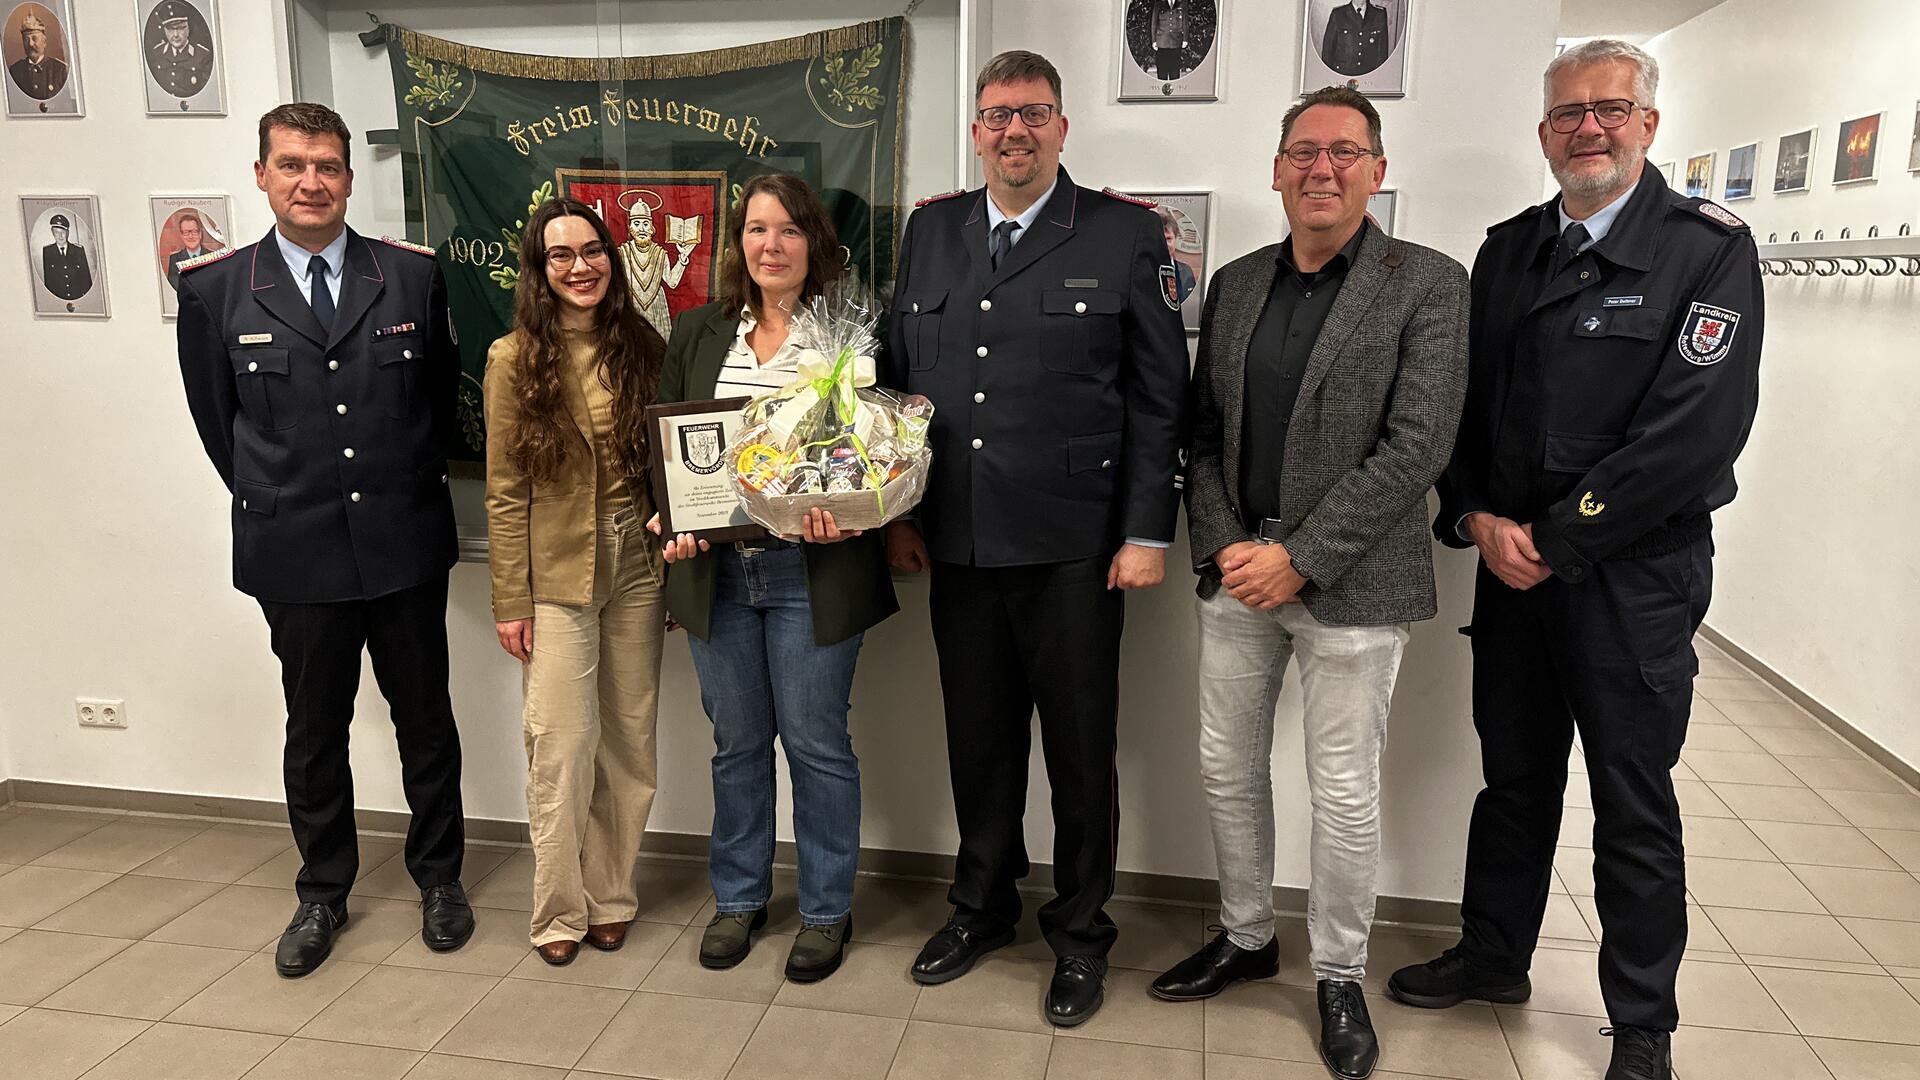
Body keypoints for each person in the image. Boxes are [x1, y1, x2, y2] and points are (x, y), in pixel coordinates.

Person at [1387, 40, 1763, 1080]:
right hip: (1512, 569)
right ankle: (1493, 955)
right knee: (1512, 780)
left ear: (1649, 123)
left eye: (1610, 109)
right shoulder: (1511, 250)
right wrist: (1473, 515)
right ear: (1544, 133)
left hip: (1633, 581)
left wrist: (1556, 539)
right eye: (1567, 114)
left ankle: (1642, 1025)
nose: (1587, 128)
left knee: (1632, 802)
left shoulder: (1706, 250)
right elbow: (1462, 409)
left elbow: (1694, 433)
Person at [1151, 86, 1467, 1080]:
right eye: (1302, 152)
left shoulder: (1429, 283)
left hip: (1355, 585)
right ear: (1277, 169)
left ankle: (1337, 973)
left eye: (1344, 152)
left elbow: (1417, 447)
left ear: (1377, 170)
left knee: (1343, 790)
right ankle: (1248, 936)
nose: (1321, 168)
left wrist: (1303, 556)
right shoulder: (1237, 284)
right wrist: (1226, 548)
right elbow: (1203, 435)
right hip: (1238, 575)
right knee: (1224, 767)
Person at [881, 50, 1189, 1027]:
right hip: (959, 540)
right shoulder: (931, 231)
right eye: (998, 115)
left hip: (1075, 548)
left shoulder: (1123, 232)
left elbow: (1159, 398)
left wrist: (1146, 531)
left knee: (1080, 753)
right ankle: (981, 908)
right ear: (977, 130)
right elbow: (896, 382)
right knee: (978, 743)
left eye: (1034, 113)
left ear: (1062, 127)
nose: (1014, 131)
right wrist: (898, 513)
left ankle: (1082, 934)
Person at [176, 102, 472, 978]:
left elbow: (437, 403)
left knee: (426, 721)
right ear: (261, 175)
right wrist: (284, 496)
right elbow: (220, 427)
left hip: (402, 538)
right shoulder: (216, 290)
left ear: (347, 177)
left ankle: (440, 880)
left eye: (328, 166)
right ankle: (322, 893)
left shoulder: (409, 277)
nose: (311, 182)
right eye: (293, 165)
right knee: (314, 731)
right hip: (295, 550)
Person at [649, 172, 898, 984]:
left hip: (810, 571)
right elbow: (667, 449)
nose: (771, 245)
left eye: (788, 229)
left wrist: (850, 509)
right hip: (719, 575)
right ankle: (739, 898)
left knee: (818, 745)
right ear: (737, 244)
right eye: (756, 229)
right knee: (737, 745)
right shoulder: (699, 331)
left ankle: (825, 911)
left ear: (813, 242)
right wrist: (672, 519)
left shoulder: (847, 339)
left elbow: (877, 453)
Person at [483, 197, 669, 966]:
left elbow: (668, 464)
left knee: (629, 745)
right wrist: (510, 600)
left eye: (592, 251)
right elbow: (503, 492)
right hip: (556, 573)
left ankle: (610, 898)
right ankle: (558, 911)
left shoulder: (643, 345)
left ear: (610, 259)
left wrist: (675, 561)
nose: (580, 267)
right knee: (561, 746)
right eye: (560, 255)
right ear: (540, 268)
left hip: (638, 567)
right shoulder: (511, 359)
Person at [616, 189, 695, 341]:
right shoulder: (622, 252)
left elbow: (672, 282)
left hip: (657, 308)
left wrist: (682, 258)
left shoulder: (660, 253)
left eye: (645, 224)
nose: (641, 229)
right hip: (631, 306)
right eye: (637, 223)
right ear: (630, 227)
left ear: (652, 228)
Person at [148, 1, 213, 99]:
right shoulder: (157, 54)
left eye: (180, 28)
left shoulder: (203, 55)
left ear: (188, 28)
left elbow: (207, 94)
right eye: (170, 29)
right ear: (164, 30)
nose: (175, 35)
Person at [8, 10, 68, 100]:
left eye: (34, 38)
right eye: (26, 40)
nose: (30, 44)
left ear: (44, 42)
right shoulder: (15, 71)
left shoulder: (61, 70)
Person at [1321, 0, 1390, 78]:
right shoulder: (1338, 14)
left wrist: (1378, 77)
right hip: (1342, 74)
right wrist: (1328, 76)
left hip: (1368, 75)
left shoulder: (1379, 14)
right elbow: (1327, 50)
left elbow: (1382, 53)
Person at [41, 214, 92, 301]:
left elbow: (86, 280)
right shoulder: (48, 252)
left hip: (78, 298)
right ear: (52, 233)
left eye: (63, 232)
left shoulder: (78, 250)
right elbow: (48, 282)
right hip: (59, 300)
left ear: (67, 232)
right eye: (57, 232)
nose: (60, 236)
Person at [1155, 206, 1197, 305]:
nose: (1165, 244)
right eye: (1161, 239)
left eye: (1169, 239)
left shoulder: (1187, 272)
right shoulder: (1143, 270)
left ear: (1176, 239)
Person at [167, 212, 212, 291]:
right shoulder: (174, 259)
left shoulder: (212, 257)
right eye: (186, 232)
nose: (190, 236)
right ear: (181, 236)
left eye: (194, 232)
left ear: (200, 234)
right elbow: (175, 285)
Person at [1148, 0, 1189, 82]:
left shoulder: (1182, 3)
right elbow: (1154, 22)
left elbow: (1185, 22)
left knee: (1175, 74)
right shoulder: (1159, 3)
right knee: (1162, 74)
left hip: (1176, 42)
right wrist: (1153, 40)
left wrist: (1185, 39)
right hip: (1162, 42)